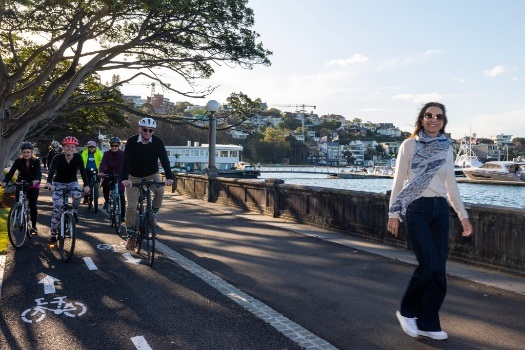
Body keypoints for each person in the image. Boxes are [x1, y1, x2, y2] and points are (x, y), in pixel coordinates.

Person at [387, 102, 473, 341]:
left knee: (439, 271)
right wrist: (393, 214)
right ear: (422, 119)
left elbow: (451, 185)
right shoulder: (410, 145)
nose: (433, 120)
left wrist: (462, 215)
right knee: (428, 267)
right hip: (416, 208)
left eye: (438, 117)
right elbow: (398, 181)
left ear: (443, 122)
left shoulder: (446, 147)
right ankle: (406, 311)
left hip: (439, 210)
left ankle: (428, 322)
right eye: (428, 115)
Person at [121, 117, 173, 250]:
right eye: (145, 130)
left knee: (160, 191)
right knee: (131, 206)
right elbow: (126, 161)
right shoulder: (132, 141)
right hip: (133, 176)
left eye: (151, 130)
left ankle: (152, 214)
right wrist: (124, 178)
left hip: (151, 173)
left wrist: (169, 177)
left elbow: (164, 160)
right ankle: (131, 236)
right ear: (139, 129)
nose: (147, 133)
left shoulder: (157, 142)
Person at [45, 136, 89, 246]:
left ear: (75, 148)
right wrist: (49, 183)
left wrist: (86, 185)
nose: (70, 149)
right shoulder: (57, 157)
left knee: (77, 195)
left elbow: (83, 172)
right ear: (64, 147)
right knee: (57, 208)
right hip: (58, 183)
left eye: (72, 147)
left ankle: (74, 211)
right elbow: (51, 171)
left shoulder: (78, 157)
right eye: (67, 146)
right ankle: (53, 235)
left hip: (72, 182)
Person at [1, 142, 42, 235]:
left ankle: (34, 226)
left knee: (32, 205)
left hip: (33, 184)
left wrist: (36, 180)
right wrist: (5, 181)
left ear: (32, 152)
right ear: (21, 152)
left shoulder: (36, 161)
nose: (26, 154)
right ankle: (18, 210)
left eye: (28, 152)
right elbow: (10, 173)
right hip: (21, 182)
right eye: (24, 152)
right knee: (17, 200)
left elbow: (38, 173)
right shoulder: (18, 161)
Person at [99, 136, 126, 219]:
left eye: (116, 145)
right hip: (109, 174)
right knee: (106, 186)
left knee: (121, 194)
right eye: (112, 145)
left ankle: (122, 216)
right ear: (109, 146)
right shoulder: (106, 154)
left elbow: (127, 164)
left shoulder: (123, 154)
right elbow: (103, 164)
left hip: (120, 175)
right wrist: (101, 172)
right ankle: (107, 201)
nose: (114, 147)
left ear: (119, 146)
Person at [80, 140, 103, 205]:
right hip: (87, 170)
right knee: (86, 183)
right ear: (88, 147)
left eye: (93, 147)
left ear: (95, 147)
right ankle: (86, 197)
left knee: (97, 182)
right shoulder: (84, 153)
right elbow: (81, 160)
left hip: (96, 170)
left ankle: (96, 192)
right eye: (90, 147)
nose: (92, 149)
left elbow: (102, 158)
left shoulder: (98, 152)